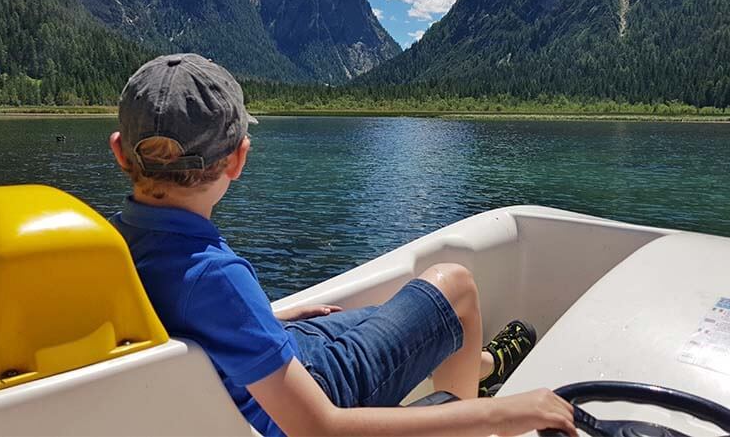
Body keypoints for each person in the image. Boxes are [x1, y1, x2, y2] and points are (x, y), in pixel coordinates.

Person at [108, 53, 577, 437]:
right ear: (238, 160)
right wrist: (510, 414)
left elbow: (180, 318)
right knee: (454, 287)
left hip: (259, 365)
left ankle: (480, 365)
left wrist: (264, 318)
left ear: (119, 151)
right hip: (306, 395)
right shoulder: (215, 279)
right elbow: (321, 429)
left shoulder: (113, 243)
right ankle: (474, 402)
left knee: (390, 313)